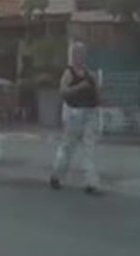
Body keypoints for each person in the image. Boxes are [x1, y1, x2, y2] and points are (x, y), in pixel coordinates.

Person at [50, 41, 101, 194]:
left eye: (82, 53)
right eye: (78, 53)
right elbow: (63, 91)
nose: (80, 56)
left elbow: (96, 91)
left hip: (89, 112)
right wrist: (80, 87)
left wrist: (98, 97)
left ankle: (91, 182)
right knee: (68, 147)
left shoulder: (88, 73)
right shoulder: (69, 72)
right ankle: (57, 175)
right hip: (74, 113)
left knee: (89, 148)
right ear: (73, 55)